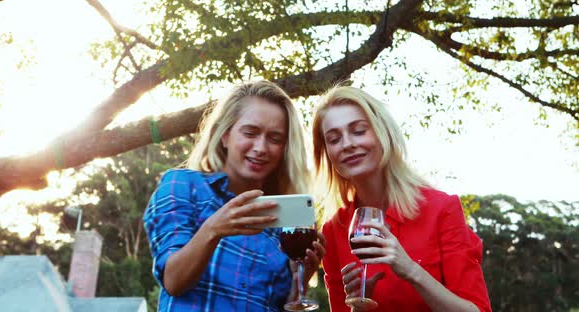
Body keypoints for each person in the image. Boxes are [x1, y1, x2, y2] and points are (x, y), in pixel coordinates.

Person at [143, 80, 325, 311]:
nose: (261, 147)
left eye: (275, 139)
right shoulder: (184, 186)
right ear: (225, 135)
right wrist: (213, 229)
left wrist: (299, 283)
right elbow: (173, 281)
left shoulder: (285, 221)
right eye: (250, 132)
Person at [312, 85, 491, 311]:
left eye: (358, 131)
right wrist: (358, 308)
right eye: (334, 139)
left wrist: (410, 270)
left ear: (383, 133)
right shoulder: (334, 231)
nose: (347, 144)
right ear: (327, 153)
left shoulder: (441, 209)